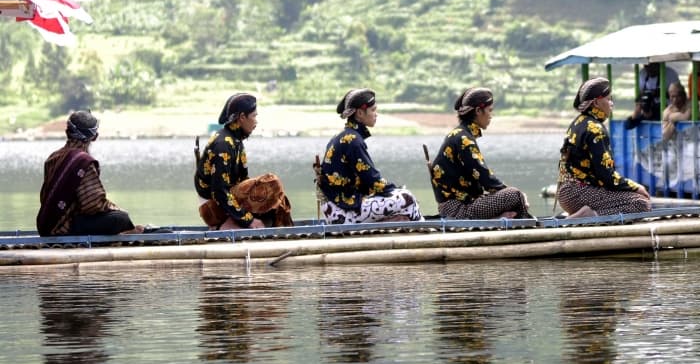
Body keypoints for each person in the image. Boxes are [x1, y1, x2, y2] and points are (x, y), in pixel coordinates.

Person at [318, 88, 422, 224]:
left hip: (336, 208)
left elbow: (368, 182)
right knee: (407, 198)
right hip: (342, 212)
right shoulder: (353, 140)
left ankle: (412, 224)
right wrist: (396, 190)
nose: (376, 114)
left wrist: (391, 190)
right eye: (373, 110)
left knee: (399, 196)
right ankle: (424, 228)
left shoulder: (345, 137)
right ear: (360, 113)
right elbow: (373, 181)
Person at [556, 77, 652, 218]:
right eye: (608, 99)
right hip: (579, 194)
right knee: (641, 203)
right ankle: (589, 215)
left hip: (565, 193)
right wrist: (636, 187)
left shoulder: (578, 122)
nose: (611, 103)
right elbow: (607, 177)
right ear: (596, 102)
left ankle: (575, 214)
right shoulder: (595, 129)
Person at [194, 93, 293, 230]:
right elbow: (219, 191)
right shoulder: (223, 144)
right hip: (212, 208)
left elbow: (242, 182)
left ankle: (283, 232)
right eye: (254, 116)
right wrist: (248, 221)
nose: (256, 121)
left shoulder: (236, 141)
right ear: (242, 117)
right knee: (272, 182)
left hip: (227, 202)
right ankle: (227, 225)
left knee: (278, 197)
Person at [37, 110, 142, 237]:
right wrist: (117, 209)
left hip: (45, 226)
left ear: (67, 132)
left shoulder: (53, 157)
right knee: (121, 218)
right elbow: (93, 205)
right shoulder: (83, 161)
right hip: (64, 228)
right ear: (94, 137)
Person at [430, 87, 530, 219]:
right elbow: (485, 178)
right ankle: (520, 225)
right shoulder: (463, 138)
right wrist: (518, 196)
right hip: (458, 209)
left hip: (464, 203)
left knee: (514, 197)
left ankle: (505, 219)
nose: (491, 116)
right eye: (489, 110)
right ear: (478, 111)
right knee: (514, 195)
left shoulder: (461, 134)